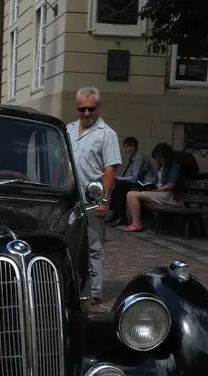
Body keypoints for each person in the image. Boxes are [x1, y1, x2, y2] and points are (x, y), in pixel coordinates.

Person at [67, 86, 122, 305]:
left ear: (98, 107)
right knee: (69, 242)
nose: (86, 114)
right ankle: (72, 284)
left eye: (91, 109)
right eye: (82, 109)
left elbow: (110, 170)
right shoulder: (69, 129)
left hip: (92, 199)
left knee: (94, 246)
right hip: (70, 197)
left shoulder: (107, 134)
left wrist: (104, 200)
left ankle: (96, 291)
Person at [125, 142, 181, 232]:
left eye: (158, 157)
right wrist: (149, 187)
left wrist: (158, 190)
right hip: (157, 192)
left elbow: (171, 185)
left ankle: (137, 223)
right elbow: (156, 182)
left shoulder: (174, 166)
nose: (157, 159)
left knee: (132, 195)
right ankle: (133, 222)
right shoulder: (160, 166)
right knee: (130, 193)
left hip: (165, 195)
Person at [107, 137, 155, 227]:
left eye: (131, 146)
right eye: (126, 146)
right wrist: (118, 179)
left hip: (147, 185)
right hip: (139, 183)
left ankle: (122, 218)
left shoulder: (138, 158)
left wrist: (118, 178)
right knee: (118, 187)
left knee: (120, 187)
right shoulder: (132, 158)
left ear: (136, 147)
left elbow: (134, 178)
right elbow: (129, 177)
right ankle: (116, 215)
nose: (129, 148)